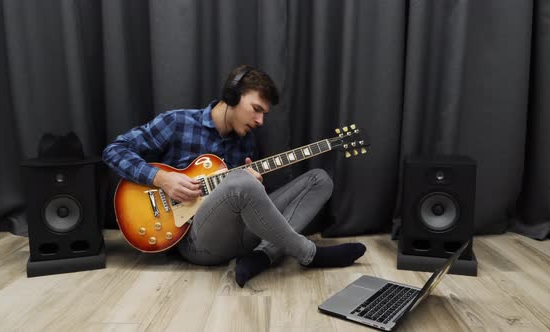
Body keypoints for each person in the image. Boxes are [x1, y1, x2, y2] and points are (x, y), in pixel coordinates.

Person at [102, 65, 366, 287]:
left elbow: (243, 201)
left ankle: (262, 257)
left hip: (240, 235)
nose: (261, 121)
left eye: (264, 113)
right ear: (231, 96)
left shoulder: (246, 142)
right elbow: (114, 150)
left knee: (320, 179)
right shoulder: (177, 122)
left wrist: (253, 187)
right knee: (240, 182)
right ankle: (309, 254)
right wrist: (162, 178)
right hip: (195, 241)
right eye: (256, 109)